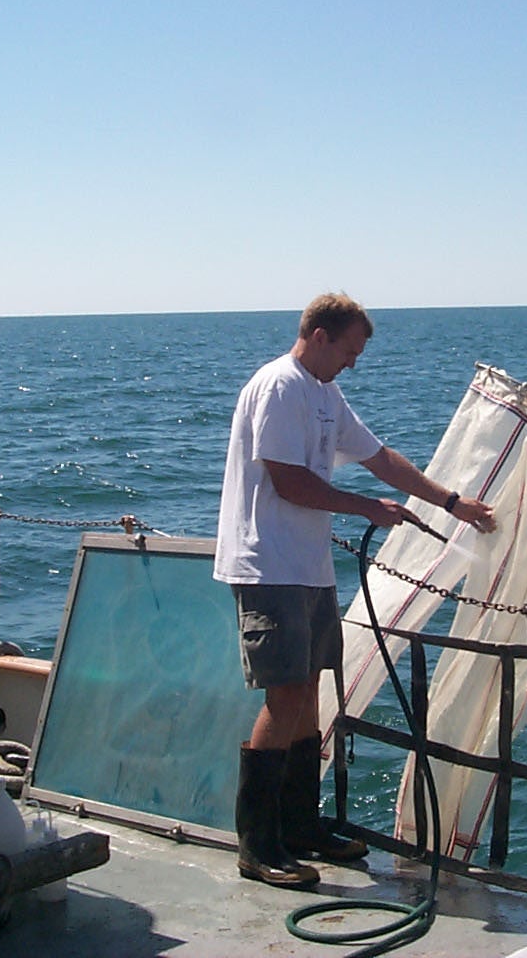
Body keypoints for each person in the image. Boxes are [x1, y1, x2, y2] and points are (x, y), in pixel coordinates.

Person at [214, 292, 496, 888]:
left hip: (308, 567)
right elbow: (288, 481)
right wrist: (367, 508)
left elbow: (379, 457)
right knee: (284, 696)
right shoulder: (280, 387)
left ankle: (301, 826)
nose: (352, 363)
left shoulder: (324, 393)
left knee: (310, 693)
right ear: (319, 337)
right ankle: (258, 845)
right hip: (268, 565)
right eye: (348, 350)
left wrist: (449, 502)